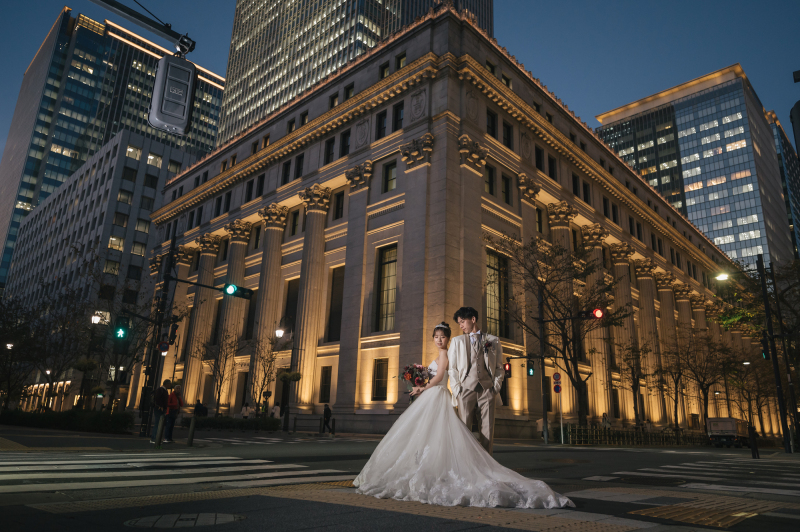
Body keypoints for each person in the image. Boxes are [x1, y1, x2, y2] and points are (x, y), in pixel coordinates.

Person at [354, 322, 573, 509]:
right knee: (427, 435)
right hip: (432, 395)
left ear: (448, 339)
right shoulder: (440, 353)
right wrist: (419, 379)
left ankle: (440, 472)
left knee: (435, 434)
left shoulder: (446, 353)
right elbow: (434, 374)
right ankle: (431, 470)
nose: (439, 340)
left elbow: (440, 376)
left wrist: (422, 387)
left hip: (438, 395)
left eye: (442, 337)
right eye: (436, 337)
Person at [447, 306, 505, 455]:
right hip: (465, 388)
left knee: (488, 428)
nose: (460, 325)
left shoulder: (493, 340)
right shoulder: (457, 341)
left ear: (473, 319)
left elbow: (499, 367)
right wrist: (457, 389)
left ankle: (487, 462)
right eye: (459, 323)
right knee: (464, 428)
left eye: (462, 322)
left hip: (488, 389)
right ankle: (465, 461)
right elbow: (452, 368)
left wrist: (495, 387)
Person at [151, 379, 171, 443]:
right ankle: (153, 438)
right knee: (157, 424)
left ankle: (157, 438)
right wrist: (161, 406)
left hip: (162, 408)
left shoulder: (164, 390)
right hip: (159, 408)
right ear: (166, 384)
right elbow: (157, 398)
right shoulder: (160, 389)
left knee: (160, 424)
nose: (170, 385)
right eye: (169, 384)